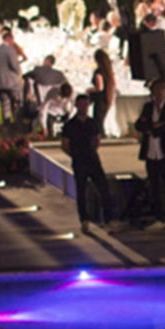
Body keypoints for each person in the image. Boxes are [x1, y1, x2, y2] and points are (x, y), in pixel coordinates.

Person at [135, 79, 165, 229]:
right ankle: (160, 216)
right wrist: (153, 126)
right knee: (155, 185)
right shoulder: (148, 107)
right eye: (156, 90)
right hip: (151, 151)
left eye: (162, 89)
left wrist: (152, 128)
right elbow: (139, 124)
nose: (159, 93)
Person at [62, 94, 115, 228]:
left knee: (104, 188)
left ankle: (108, 219)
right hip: (79, 161)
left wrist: (92, 151)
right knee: (81, 191)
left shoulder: (93, 123)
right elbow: (65, 144)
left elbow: (97, 140)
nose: (84, 107)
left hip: (93, 160)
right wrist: (75, 155)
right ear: (76, 106)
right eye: (81, 105)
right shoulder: (70, 125)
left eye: (86, 105)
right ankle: (84, 219)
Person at [0, 29, 24, 124]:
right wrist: (20, 76)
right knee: (16, 103)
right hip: (11, 82)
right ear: (10, 38)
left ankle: (6, 122)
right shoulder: (10, 50)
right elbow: (15, 66)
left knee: (4, 103)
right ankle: (17, 122)